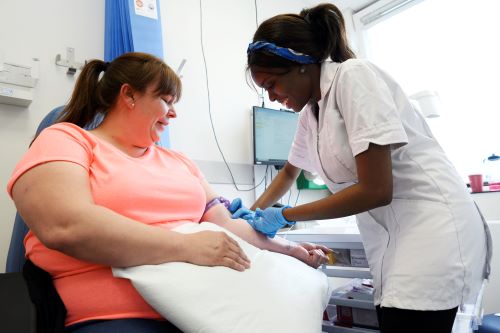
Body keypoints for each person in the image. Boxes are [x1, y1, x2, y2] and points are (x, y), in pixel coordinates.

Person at [7, 52, 329, 332]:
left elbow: (227, 226)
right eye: (167, 100)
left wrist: (290, 249)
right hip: (121, 313)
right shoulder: (67, 140)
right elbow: (66, 226)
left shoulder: (180, 163)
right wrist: (186, 246)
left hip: (209, 304)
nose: (173, 113)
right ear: (129, 95)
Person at [242, 3, 491, 333]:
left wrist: (285, 215)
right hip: (395, 240)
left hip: (433, 228)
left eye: (272, 84)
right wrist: (249, 214)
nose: (271, 97)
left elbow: (376, 189)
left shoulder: (353, 78)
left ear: (301, 65)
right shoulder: (310, 113)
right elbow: (289, 172)